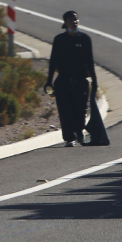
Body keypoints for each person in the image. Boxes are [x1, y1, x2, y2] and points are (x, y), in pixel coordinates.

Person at [44, 10, 98, 147]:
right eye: (71, 20)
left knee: (80, 110)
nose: (74, 22)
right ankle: (69, 138)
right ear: (65, 23)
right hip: (63, 81)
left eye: (76, 19)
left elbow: (90, 61)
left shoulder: (85, 39)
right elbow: (53, 62)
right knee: (65, 112)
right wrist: (49, 81)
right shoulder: (59, 40)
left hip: (80, 81)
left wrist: (94, 80)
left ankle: (79, 132)